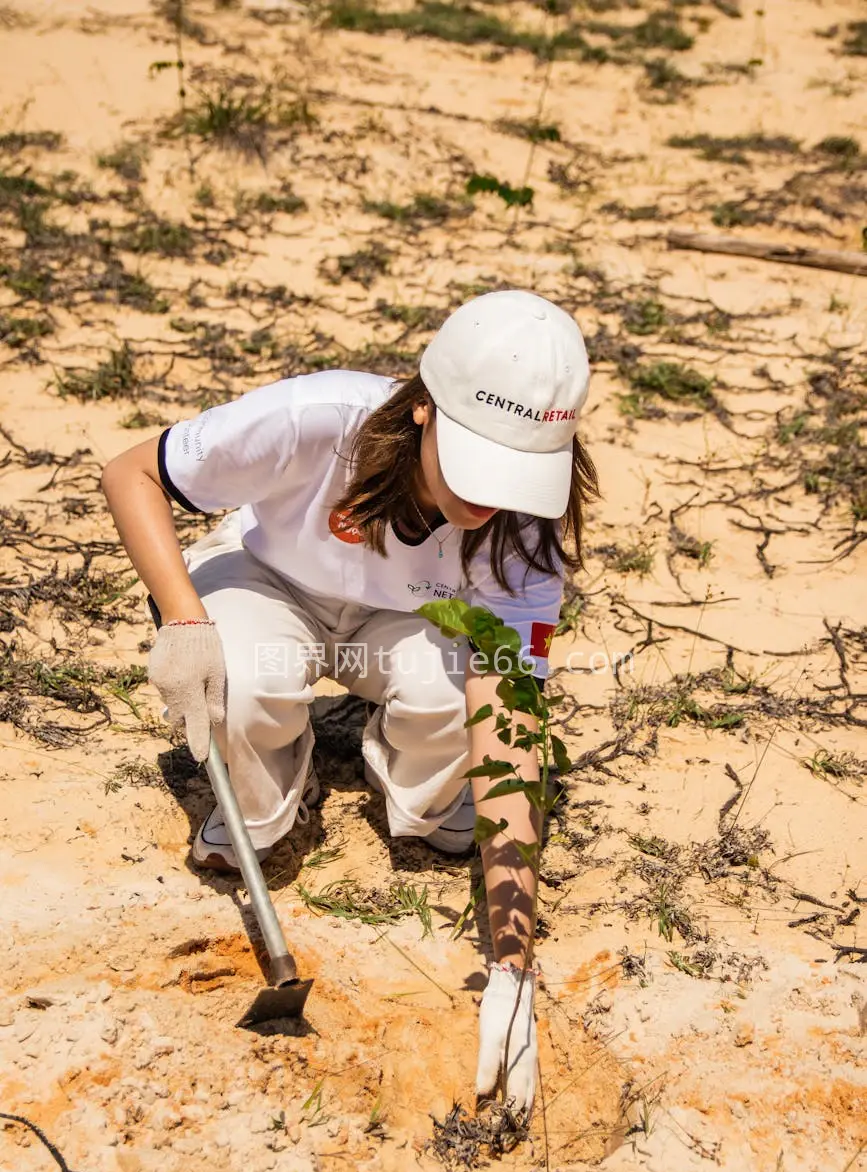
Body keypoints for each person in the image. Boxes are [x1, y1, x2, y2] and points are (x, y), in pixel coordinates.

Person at [101, 289, 597, 1113]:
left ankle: (427, 804)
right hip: (269, 577)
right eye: (479, 465)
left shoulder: (524, 533)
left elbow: (507, 716)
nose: (490, 500)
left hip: (404, 618)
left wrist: (513, 966)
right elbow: (133, 472)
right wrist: (185, 621)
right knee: (246, 675)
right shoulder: (319, 417)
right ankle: (258, 808)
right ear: (423, 414)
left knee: (453, 704)